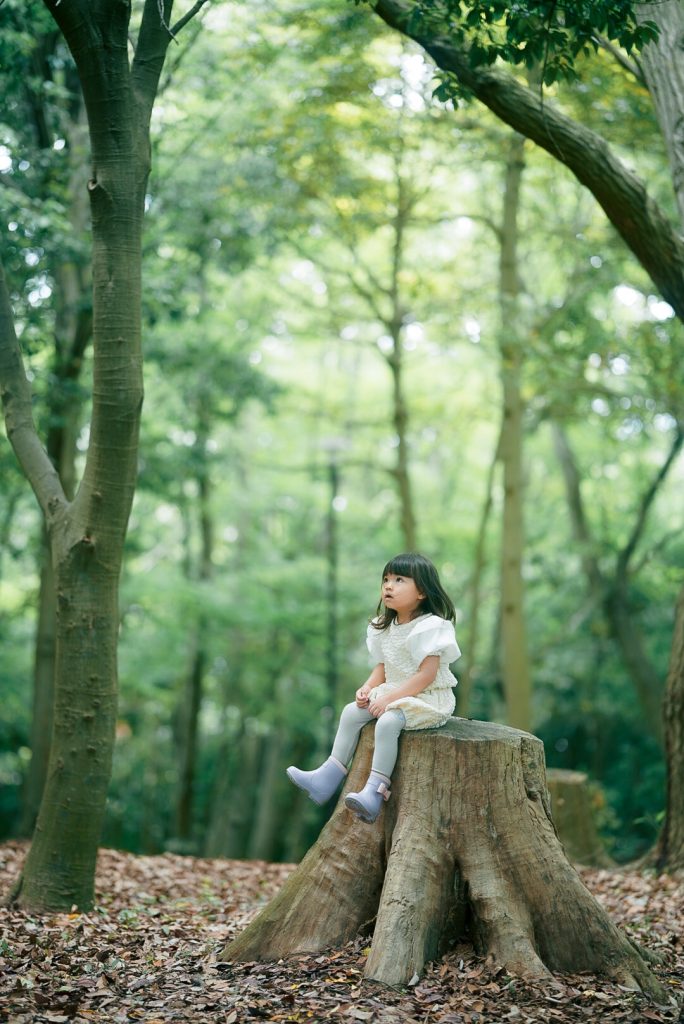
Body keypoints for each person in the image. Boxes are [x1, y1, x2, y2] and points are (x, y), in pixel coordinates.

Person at [287, 552, 460, 823]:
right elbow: (382, 667)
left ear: (422, 592)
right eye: (386, 579)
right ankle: (327, 777)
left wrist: (390, 698)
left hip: (427, 697)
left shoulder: (429, 627)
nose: (388, 586)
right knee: (350, 713)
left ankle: (374, 792)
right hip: (394, 690)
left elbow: (427, 675)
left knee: (388, 723)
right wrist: (367, 688)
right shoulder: (385, 627)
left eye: (399, 580)